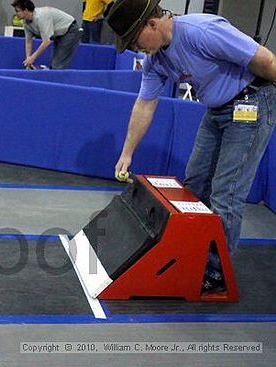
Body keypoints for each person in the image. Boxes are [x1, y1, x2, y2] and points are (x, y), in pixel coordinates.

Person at [107, 0, 275, 293]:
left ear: (152, 24)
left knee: (227, 192)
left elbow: (266, 60)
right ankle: (186, 253)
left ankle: (214, 270)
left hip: (252, 100)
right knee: (194, 184)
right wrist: (127, 152)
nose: (136, 48)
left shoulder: (202, 31)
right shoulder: (155, 60)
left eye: (135, 40)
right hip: (217, 109)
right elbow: (145, 104)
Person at [11, 0, 81, 70]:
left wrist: (32, 58)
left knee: (57, 64)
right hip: (58, 33)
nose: (16, 14)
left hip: (70, 30)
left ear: (25, 10)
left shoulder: (41, 17)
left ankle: (56, 79)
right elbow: (28, 42)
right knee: (55, 63)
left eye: (17, 11)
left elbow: (47, 41)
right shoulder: (26, 22)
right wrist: (28, 61)